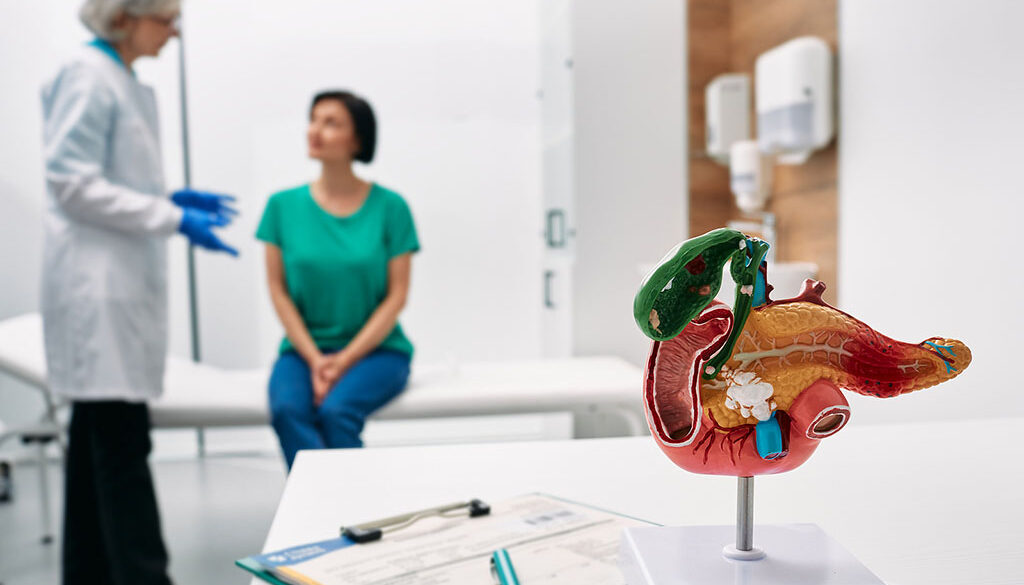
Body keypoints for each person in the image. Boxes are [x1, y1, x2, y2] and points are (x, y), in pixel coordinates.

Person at [40, 1, 238, 583]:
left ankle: (89, 573)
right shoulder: (87, 75)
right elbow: (72, 183)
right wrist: (169, 216)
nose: (175, 32)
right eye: (166, 19)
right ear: (125, 16)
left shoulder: (120, 79)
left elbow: (112, 179)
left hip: (114, 285)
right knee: (121, 448)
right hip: (95, 292)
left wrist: (169, 200)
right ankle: (146, 576)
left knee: (94, 446)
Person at [257, 90, 419, 470]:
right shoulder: (281, 207)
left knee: (336, 412)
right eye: (314, 120)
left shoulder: (391, 208)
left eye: (331, 123)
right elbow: (278, 292)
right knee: (287, 410)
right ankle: (325, 511)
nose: (315, 130)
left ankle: (357, 514)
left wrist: (343, 361)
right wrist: (316, 360)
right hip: (302, 351)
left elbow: (396, 297)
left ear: (357, 140)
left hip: (379, 352)